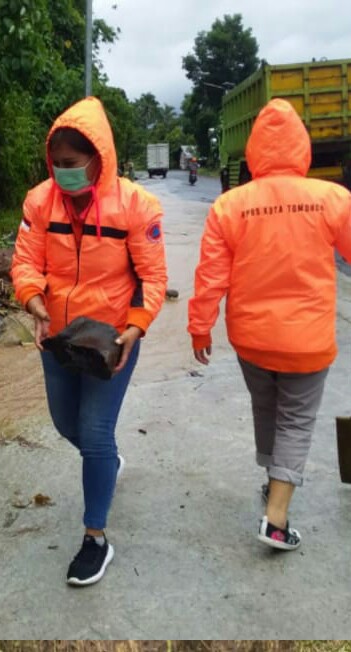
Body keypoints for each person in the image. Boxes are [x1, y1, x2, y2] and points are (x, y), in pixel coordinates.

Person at [10, 96, 167, 586]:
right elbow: (25, 263)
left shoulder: (138, 207)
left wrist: (135, 329)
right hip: (59, 335)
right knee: (65, 425)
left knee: (94, 434)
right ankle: (109, 461)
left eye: (73, 166)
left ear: (99, 160)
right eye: (56, 165)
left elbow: (153, 277)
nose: (63, 175)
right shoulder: (39, 201)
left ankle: (95, 538)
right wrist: (33, 301)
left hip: (110, 341)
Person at [188, 98, 351, 551]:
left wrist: (200, 328)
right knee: (296, 421)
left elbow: (210, 277)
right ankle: (276, 518)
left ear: (255, 150)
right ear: (302, 147)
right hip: (308, 340)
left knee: (267, 409)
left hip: (252, 340)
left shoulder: (231, 205)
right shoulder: (332, 198)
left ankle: (272, 483)